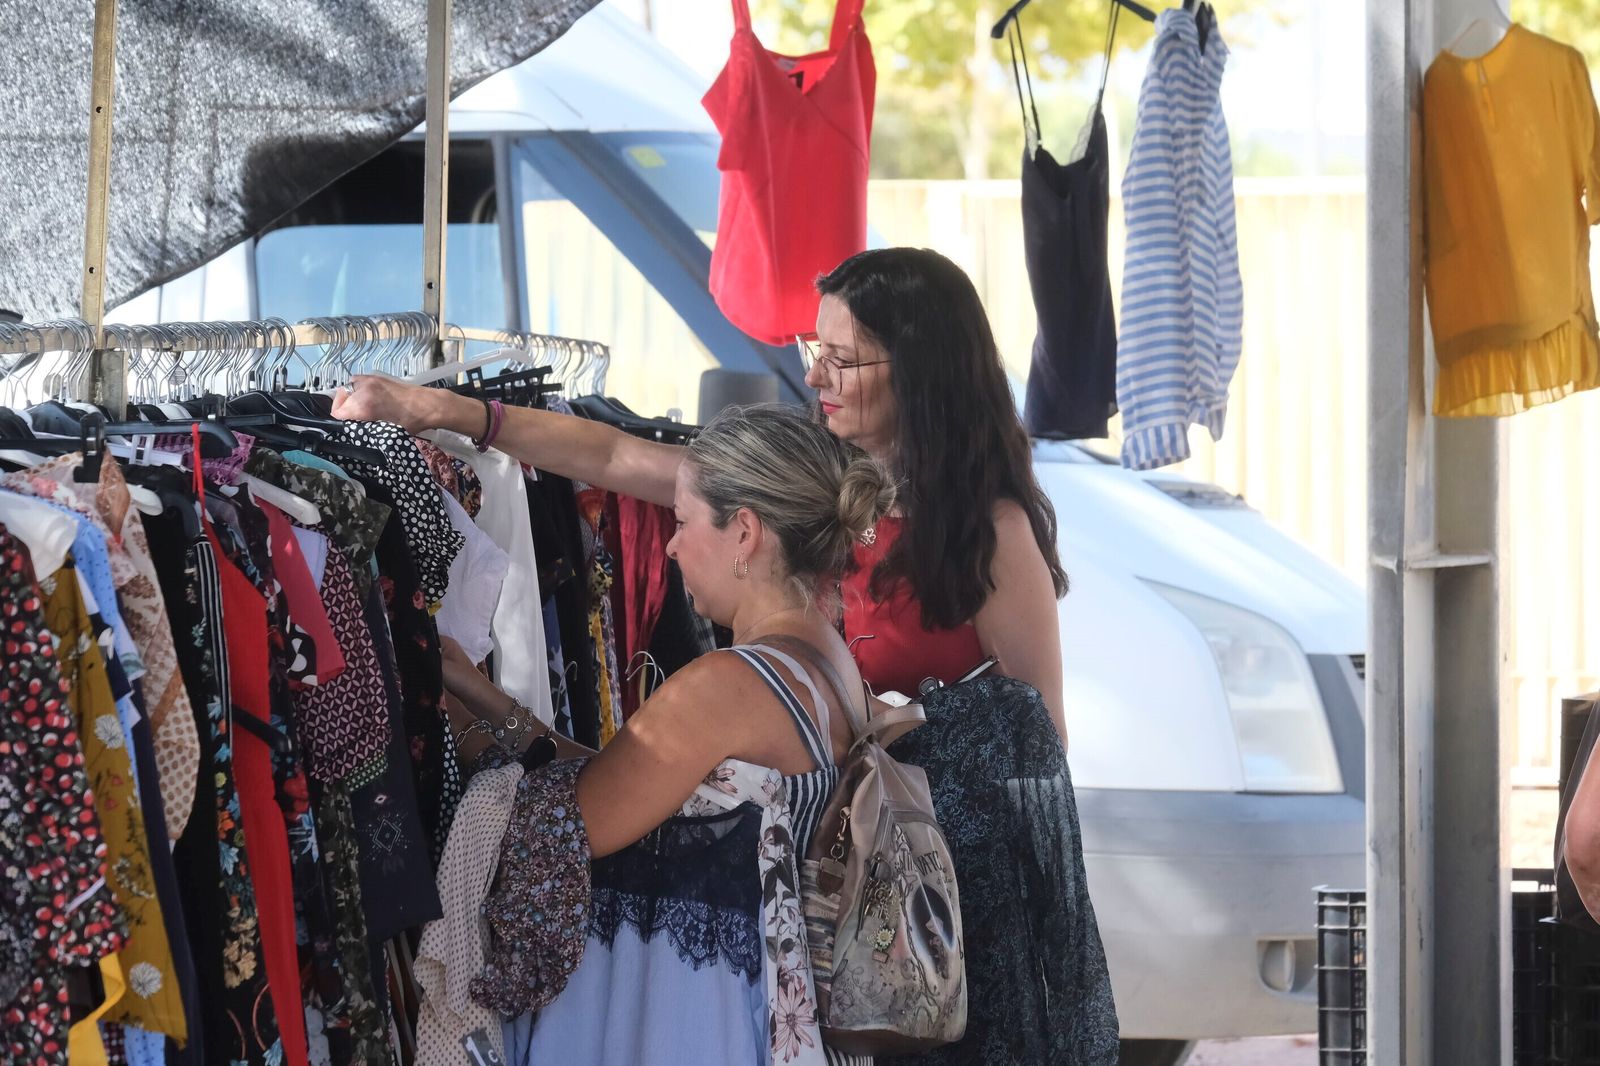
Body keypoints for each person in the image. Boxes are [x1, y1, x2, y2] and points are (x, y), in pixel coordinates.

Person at [332, 247, 1117, 1063]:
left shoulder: (987, 534)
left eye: (843, 358)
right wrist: (448, 414)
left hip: (924, 897)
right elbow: (609, 458)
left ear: (919, 367)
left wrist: (903, 735)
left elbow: (1034, 741)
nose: (817, 376)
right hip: (809, 920)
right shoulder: (806, 494)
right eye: (815, 352)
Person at [422, 403, 889, 1066]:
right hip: (765, 1014)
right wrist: (489, 700)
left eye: (681, 521)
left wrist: (464, 734)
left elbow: (571, 818)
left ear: (746, 533)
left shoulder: (728, 684)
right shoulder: (829, 662)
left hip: (692, 1021)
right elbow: (639, 784)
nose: (669, 546)